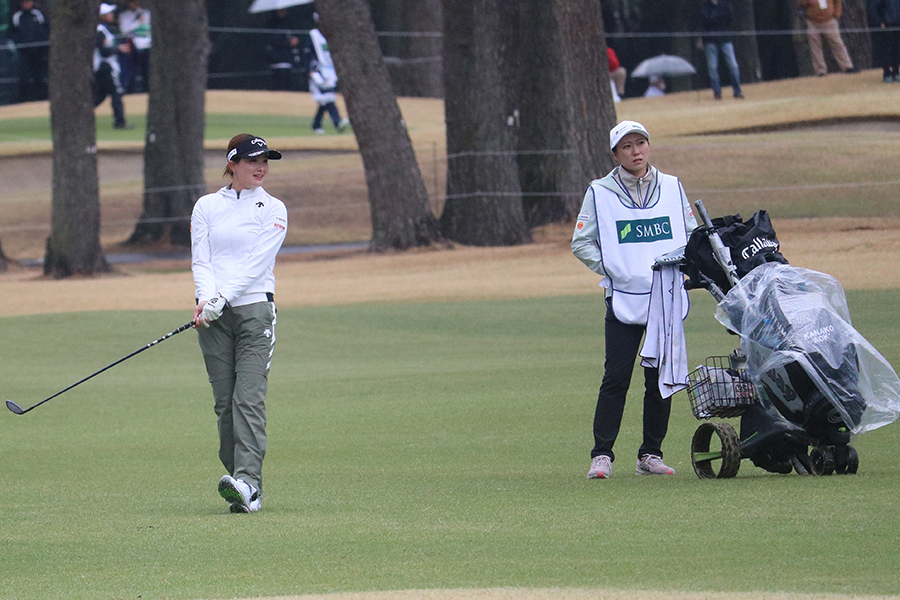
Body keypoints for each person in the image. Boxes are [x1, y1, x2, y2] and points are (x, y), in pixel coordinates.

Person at [572, 120, 697, 480]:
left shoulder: (672, 187)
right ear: (615, 154)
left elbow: (691, 235)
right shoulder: (599, 192)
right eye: (626, 147)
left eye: (641, 143)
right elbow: (581, 243)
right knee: (616, 378)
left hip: (666, 298)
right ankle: (602, 455)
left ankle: (650, 455)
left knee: (660, 377)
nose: (636, 151)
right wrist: (613, 269)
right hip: (624, 298)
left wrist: (686, 269)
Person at [191, 134, 288, 514]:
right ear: (232, 164)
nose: (261, 167)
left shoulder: (273, 208)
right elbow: (202, 258)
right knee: (224, 406)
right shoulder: (206, 206)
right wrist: (206, 299)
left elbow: (257, 264)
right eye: (253, 161)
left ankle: (249, 483)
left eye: (265, 161)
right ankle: (241, 484)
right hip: (212, 316)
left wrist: (221, 298)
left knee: (247, 400)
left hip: (254, 313)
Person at [305, 13, 349, 134]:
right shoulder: (313, 35)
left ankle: (316, 125)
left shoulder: (330, 35)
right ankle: (337, 121)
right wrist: (310, 69)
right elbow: (308, 54)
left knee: (325, 99)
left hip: (330, 70)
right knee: (327, 97)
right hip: (318, 72)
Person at [94, 3, 133, 129]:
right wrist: (118, 49)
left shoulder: (104, 29)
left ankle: (78, 114)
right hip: (105, 66)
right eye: (108, 13)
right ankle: (120, 121)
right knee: (116, 92)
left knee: (101, 94)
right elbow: (103, 51)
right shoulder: (100, 30)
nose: (111, 15)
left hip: (104, 66)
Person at [798, 0, 859, 76]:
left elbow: (837, 2)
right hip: (812, 22)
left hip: (829, 21)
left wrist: (836, 14)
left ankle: (847, 67)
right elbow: (800, 2)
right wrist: (807, 2)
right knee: (815, 47)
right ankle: (820, 71)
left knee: (837, 44)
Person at [699, 0, 744, 100]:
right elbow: (706, 20)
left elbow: (729, 18)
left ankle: (737, 91)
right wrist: (718, 18)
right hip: (710, 41)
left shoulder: (725, 4)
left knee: (733, 66)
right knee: (712, 68)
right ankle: (717, 93)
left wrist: (714, 19)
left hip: (725, 39)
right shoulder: (704, 7)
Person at [10, 0, 49, 102]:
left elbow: (46, 30)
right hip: (24, 54)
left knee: (39, 76)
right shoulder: (17, 17)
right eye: (25, 2)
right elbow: (13, 34)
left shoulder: (38, 15)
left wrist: (42, 45)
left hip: (39, 53)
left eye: (29, 2)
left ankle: (41, 98)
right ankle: (24, 100)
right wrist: (21, 45)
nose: (27, 4)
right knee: (24, 77)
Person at [118, 0, 151, 93]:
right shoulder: (124, 15)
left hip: (146, 44)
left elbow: (149, 27)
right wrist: (137, 23)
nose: (134, 4)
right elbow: (124, 30)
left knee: (147, 69)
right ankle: (131, 89)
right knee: (132, 69)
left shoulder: (146, 13)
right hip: (132, 44)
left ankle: (147, 89)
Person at [265, 8, 301, 91]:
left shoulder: (288, 22)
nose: (283, 12)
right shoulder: (271, 24)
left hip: (288, 57)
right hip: (276, 57)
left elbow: (293, 36)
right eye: (281, 10)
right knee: (279, 81)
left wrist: (295, 40)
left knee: (289, 80)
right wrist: (289, 43)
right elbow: (273, 40)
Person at [867, 0, 900, 82]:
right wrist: (879, 21)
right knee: (886, 48)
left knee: (897, 48)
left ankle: (896, 71)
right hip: (885, 23)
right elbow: (873, 7)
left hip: (897, 23)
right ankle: (887, 72)